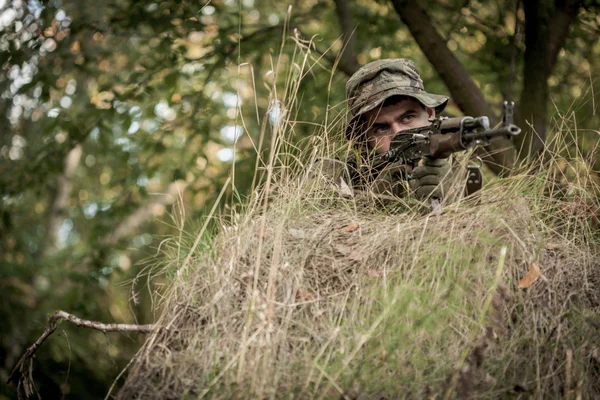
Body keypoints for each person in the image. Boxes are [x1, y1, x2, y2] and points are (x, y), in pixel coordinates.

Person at [324, 58, 454, 201]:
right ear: (365, 136)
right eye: (381, 128)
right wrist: (377, 199)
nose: (397, 133)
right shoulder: (336, 172)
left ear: (430, 114)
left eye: (407, 118)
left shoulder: (455, 163)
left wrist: (453, 194)